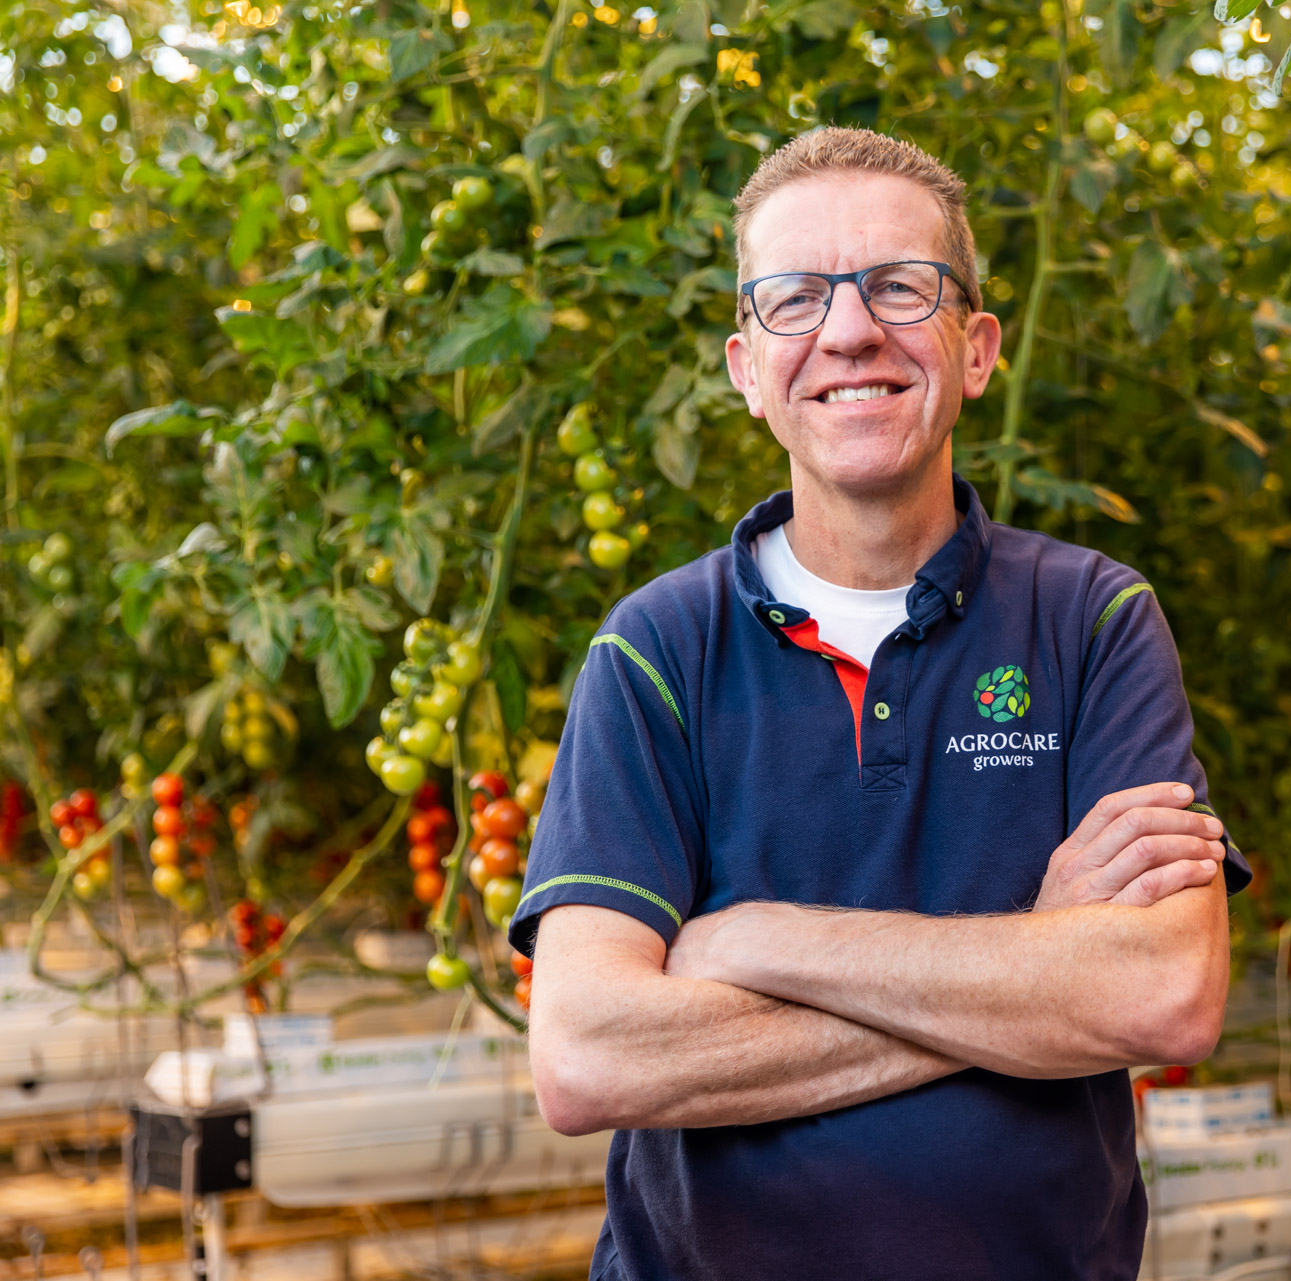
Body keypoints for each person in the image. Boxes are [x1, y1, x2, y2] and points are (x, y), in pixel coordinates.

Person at [511, 126, 1251, 1281]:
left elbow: (1163, 995)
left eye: (900, 287)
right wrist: (1039, 963)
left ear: (977, 348)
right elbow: (588, 1060)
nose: (849, 331)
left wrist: (756, 941)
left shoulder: (1094, 620)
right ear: (747, 369)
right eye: (795, 298)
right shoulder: (655, 650)